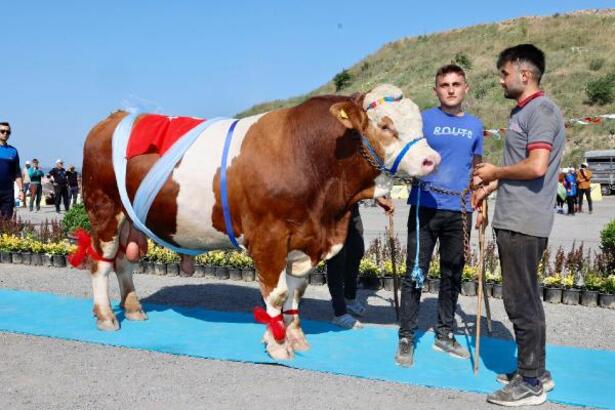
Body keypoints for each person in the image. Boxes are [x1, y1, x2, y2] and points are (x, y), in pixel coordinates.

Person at [473, 44, 564, 406]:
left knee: (520, 300)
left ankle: (530, 383)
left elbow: (537, 166)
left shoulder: (540, 110)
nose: (501, 80)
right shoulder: (524, 111)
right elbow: (521, 165)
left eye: (504, 73)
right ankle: (537, 371)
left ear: (524, 75)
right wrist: (492, 184)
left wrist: (495, 171)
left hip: (524, 220)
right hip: (515, 213)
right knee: (524, 297)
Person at [395, 64, 483, 367]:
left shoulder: (474, 125)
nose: (450, 89)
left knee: (452, 275)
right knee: (414, 275)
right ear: (436, 90)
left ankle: (444, 334)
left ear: (465, 88)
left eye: (456, 84)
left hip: (459, 211)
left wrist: (480, 201)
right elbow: (405, 152)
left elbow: (477, 167)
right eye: (444, 84)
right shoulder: (423, 120)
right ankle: (406, 337)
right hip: (424, 207)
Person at [327, 198, 394, 329]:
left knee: (356, 251)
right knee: (336, 258)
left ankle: (349, 298)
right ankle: (339, 313)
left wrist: (381, 195)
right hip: (332, 208)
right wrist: (380, 198)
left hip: (352, 206)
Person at [0, 122, 24, 219]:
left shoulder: (13, 151)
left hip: (8, 192)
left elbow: (17, 172)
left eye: (8, 132)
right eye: (2, 131)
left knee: (6, 221)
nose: (5, 133)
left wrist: (21, 190)